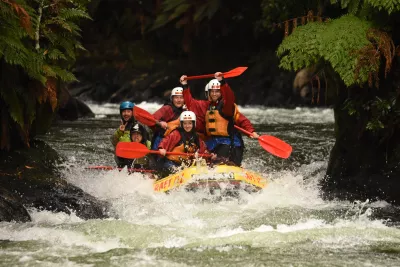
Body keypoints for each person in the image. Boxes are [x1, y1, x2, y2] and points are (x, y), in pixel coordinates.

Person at [180, 72, 259, 166]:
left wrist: (222, 82)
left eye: (217, 91)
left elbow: (231, 100)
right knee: (203, 156)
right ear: (208, 93)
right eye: (212, 91)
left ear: (221, 92)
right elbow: (190, 103)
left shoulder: (226, 106)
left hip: (230, 144)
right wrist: (185, 85)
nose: (214, 94)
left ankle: (227, 166)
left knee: (220, 160)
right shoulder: (206, 106)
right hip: (213, 143)